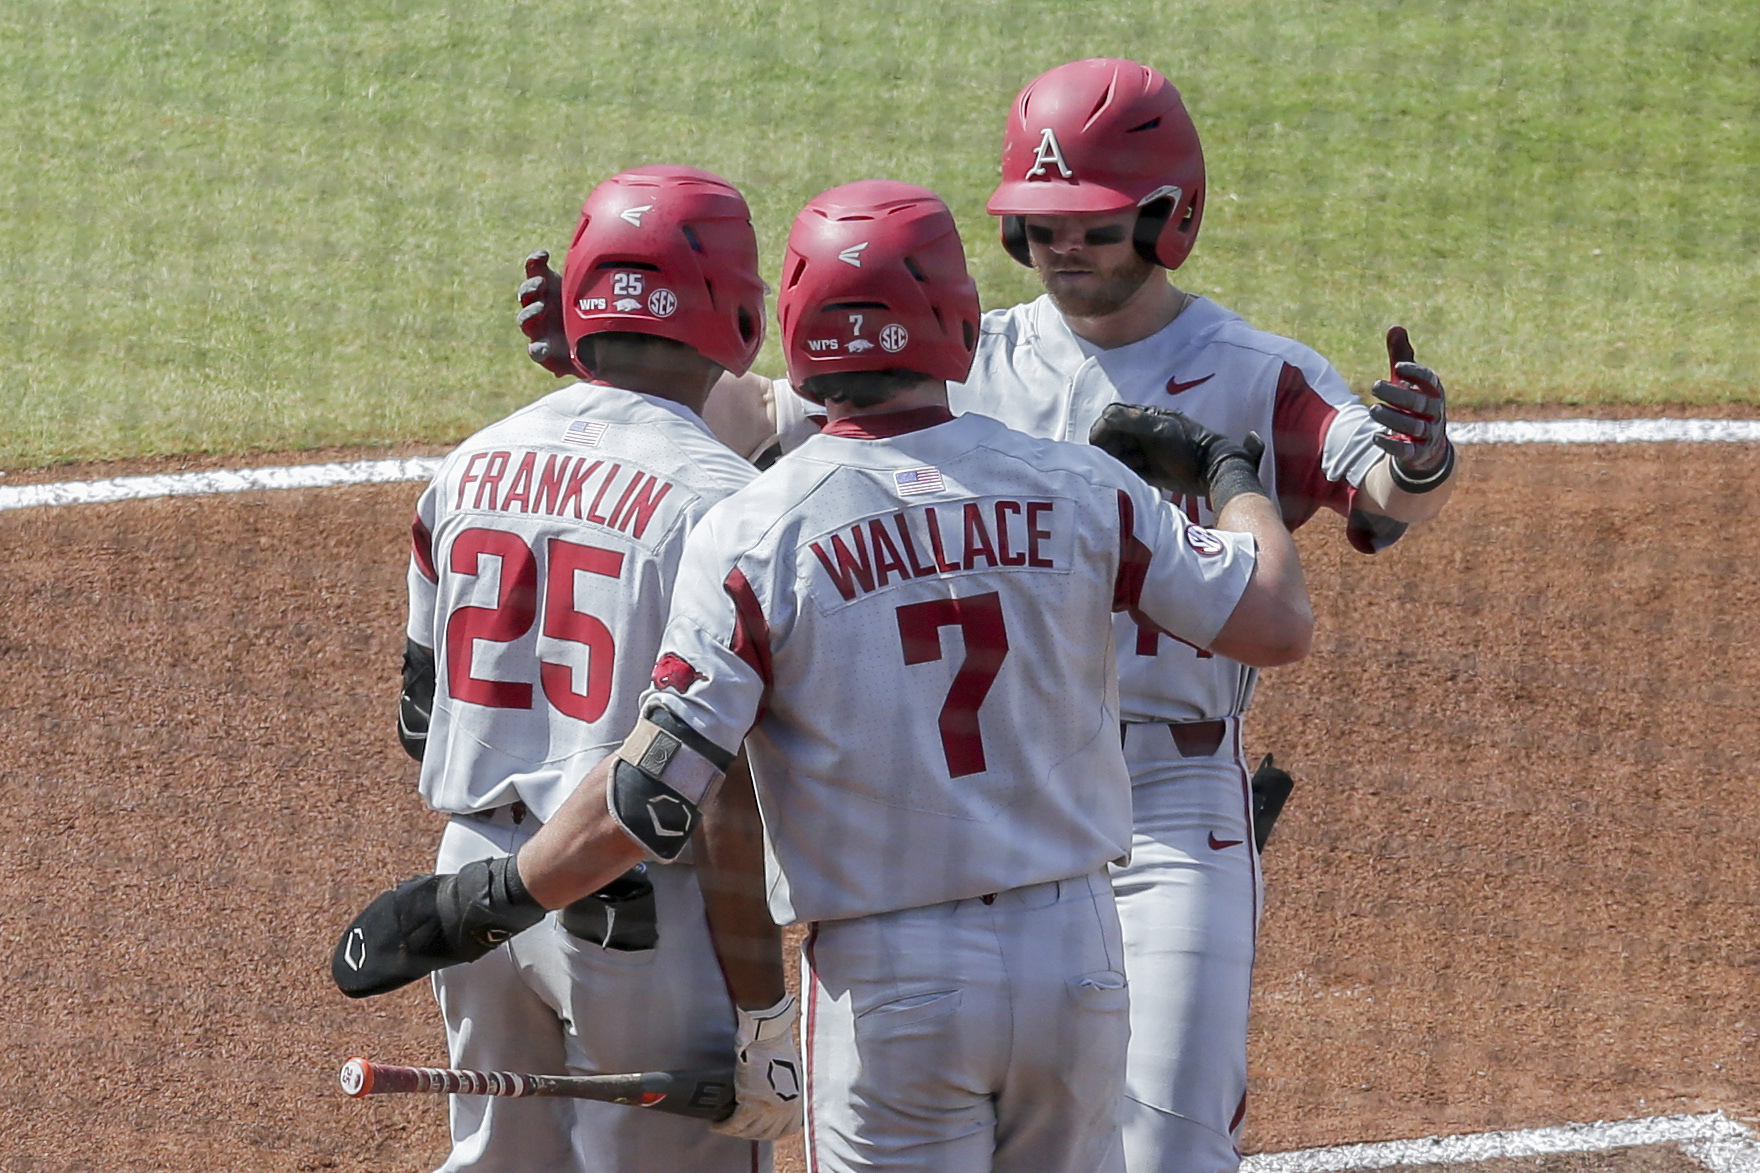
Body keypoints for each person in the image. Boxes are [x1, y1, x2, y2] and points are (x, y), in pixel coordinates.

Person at [516, 57, 1458, 1173]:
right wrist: (612, 352)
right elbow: (761, 409)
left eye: (1094, 226)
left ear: (1169, 217)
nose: (1064, 249)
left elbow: (1381, 488)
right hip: (985, 796)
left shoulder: (1256, 371)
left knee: (1165, 1149)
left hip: (1168, 800)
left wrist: (1422, 456)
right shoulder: (968, 353)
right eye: (1039, 226)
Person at [340, 178, 1314, 1173]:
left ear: (795, 325)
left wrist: (484, 898)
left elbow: (649, 792)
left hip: (892, 983)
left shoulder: (755, 526)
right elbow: (1276, 622)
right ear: (962, 320)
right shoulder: (1081, 487)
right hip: (1075, 964)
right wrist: (1228, 474)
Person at [355, 164, 798, 1172]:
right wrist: (764, 1012)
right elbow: (721, 801)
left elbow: (422, 721)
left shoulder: (466, 465)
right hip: (639, 919)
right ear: (737, 313)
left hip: (468, 891)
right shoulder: (726, 504)